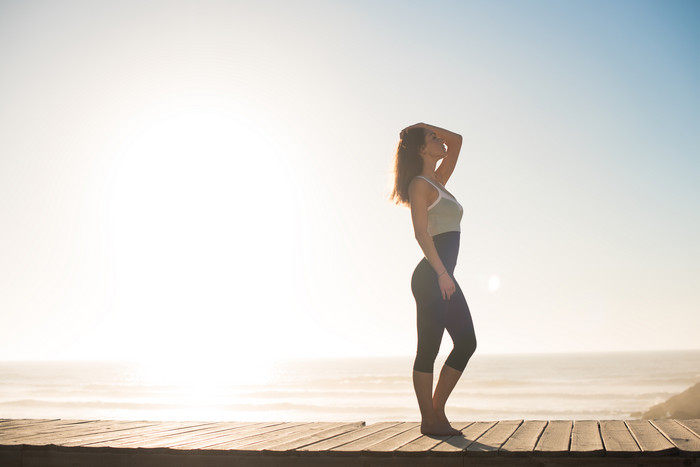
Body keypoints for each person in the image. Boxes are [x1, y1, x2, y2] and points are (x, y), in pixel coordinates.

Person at [389, 122, 477, 436]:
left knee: (466, 342)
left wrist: (424, 125)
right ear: (421, 149)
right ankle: (429, 420)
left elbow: (458, 141)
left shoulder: (438, 180)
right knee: (429, 348)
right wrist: (441, 273)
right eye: (432, 138)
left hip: (443, 276)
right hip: (432, 276)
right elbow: (420, 233)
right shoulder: (419, 184)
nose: (440, 140)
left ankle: (437, 412)